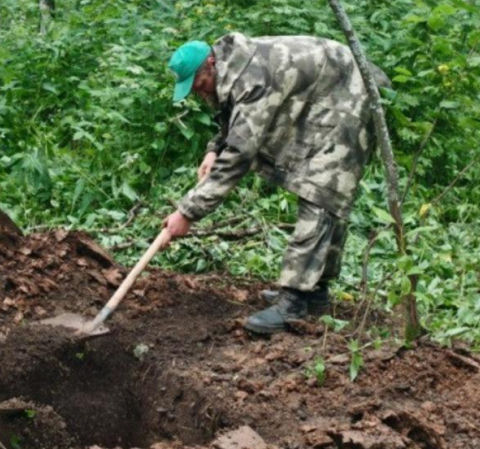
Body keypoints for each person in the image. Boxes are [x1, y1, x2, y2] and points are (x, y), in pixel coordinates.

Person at [161, 34, 384, 335]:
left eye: (199, 85)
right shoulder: (233, 65)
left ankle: (294, 302)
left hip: (348, 102)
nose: (200, 94)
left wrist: (188, 212)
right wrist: (214, 149)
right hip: (324, 100)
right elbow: (235, 115)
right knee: (323, 194)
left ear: (211, 63)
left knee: (321, 192)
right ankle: (315, 294)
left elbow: (240, 152)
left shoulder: (252, 77)